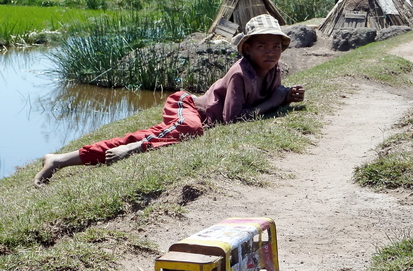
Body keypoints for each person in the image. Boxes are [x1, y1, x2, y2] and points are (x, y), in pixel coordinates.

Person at [34, 14, 305, 186]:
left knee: (154, 135)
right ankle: (140, 147)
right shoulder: (239, 74)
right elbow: (232, 120)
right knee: (189, 129)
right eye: (262, 46)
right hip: (186, 106)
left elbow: (267, 98)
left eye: (277, 47)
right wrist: (275, 102)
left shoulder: (273, 69)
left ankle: (60, 159)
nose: (271, 52)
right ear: (246, 48)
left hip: (198, 122)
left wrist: (284, 97)